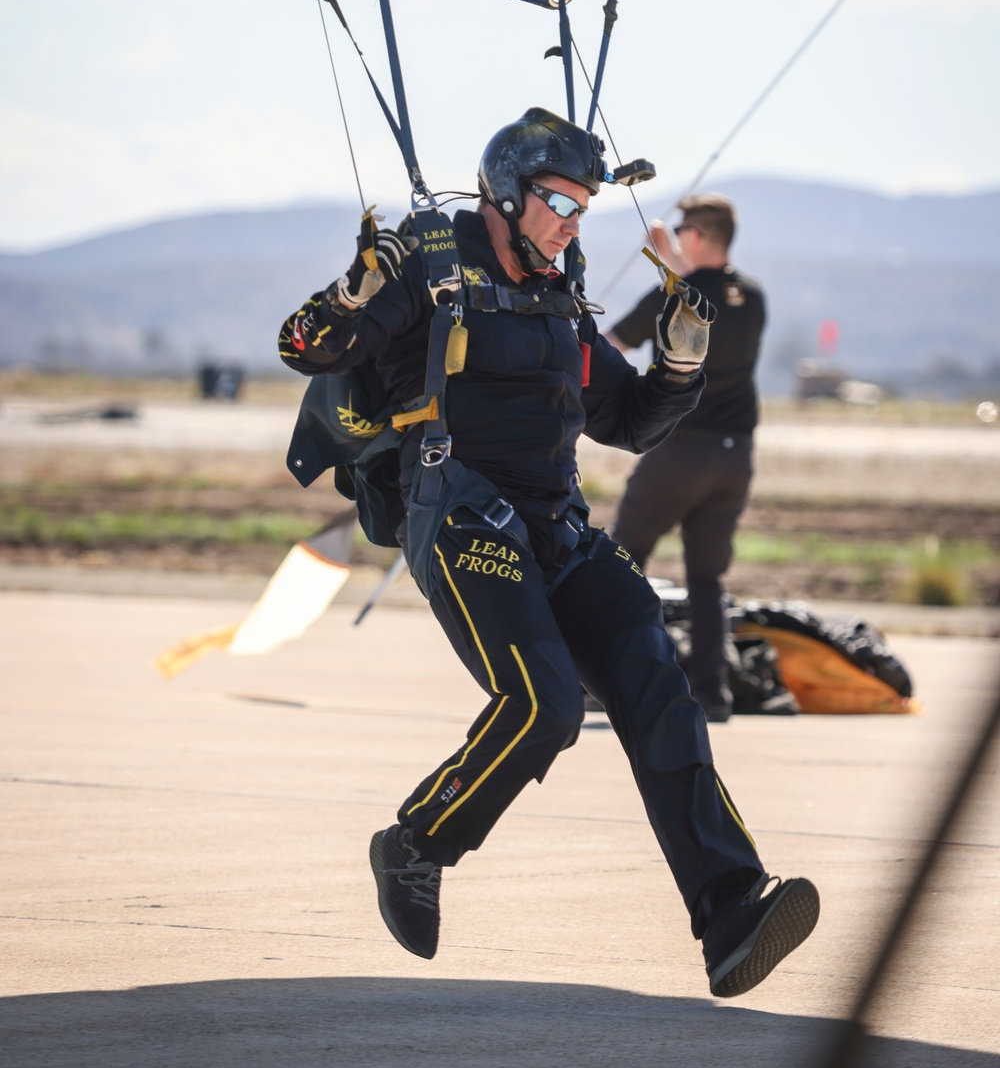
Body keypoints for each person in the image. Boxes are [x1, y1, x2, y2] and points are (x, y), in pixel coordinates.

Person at [278, 111, 816, 995]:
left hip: (558, 528)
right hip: (459, 519)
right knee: (546, 704)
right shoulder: (427, 268)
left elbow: (627, 421)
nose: (572, 223)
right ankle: (415, 842)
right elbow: (302, 346)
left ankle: (729, 907)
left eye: (583, 208)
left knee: (654, 677)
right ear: (505, 193)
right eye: (560, 202)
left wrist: (680, 370)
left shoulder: (560, 298)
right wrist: (348, 293)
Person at [606, 194, 766, 723]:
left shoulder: (673, 294)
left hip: (680, 450)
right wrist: (672, 258)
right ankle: (712, 696)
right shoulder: (753, 296)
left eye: (681, 233)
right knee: (706, 579)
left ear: (694, 236)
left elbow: (612, 345)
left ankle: (605, 679)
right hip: (735, 457)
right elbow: (709, 290)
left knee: (621, 561)